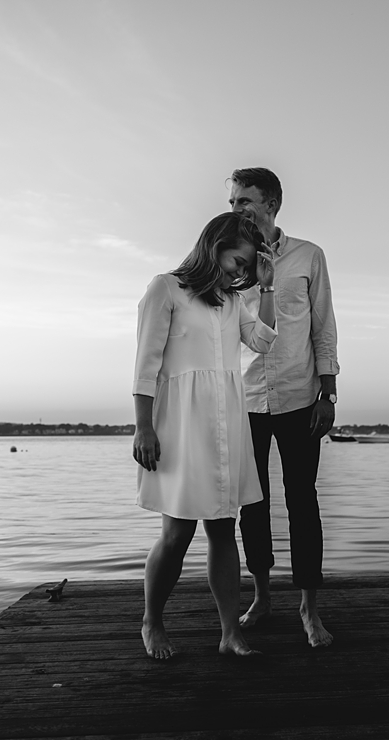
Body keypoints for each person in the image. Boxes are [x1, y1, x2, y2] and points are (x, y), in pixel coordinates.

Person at [132, 213, 277, 659]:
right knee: (176, 532)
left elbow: (264, 342)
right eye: (238, 260)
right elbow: (146, 364)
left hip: (224, 423)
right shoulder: (165, 288)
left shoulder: (232, 302)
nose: (241, 271)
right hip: (178, 422)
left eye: (247, 267)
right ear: (215, 244)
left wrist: (266, 288)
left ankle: (230, 632)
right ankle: (151, 622)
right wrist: (143, 426)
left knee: (222, 528)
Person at [229, 167, 339, 647]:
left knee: (303, 503)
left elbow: (323, 324)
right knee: (251, 506)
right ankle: (261, 595)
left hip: (300, 397)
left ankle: (309, 609)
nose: (237, 210)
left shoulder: (308, 256)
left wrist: (329, 393)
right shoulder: (230, 260)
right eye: (233, 201)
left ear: (272, 203)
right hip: (245, 400)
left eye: (246, 201)